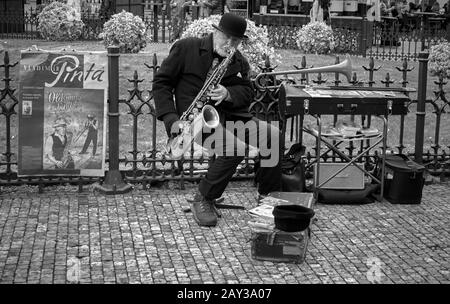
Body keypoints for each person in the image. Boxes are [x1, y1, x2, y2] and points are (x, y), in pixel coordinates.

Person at [153, 13, 282, 227]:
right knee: (235, 149)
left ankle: (267, 198)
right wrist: (171, 119)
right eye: (227, 38)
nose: (231, 44)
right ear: (216, 31)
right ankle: (203, 198)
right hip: (195, 120)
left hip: (231, 117)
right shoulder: (186, 47)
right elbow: (161, 83)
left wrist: (228, 93)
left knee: (273, 137)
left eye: (237, 40)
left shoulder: (238, 59)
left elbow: (247, 92)